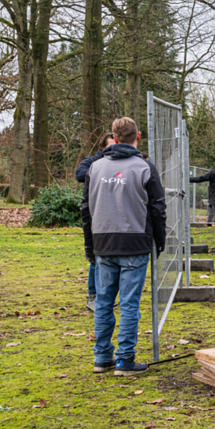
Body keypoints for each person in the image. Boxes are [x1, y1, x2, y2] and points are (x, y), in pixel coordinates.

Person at [81, 117, 166, 376]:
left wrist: (89, 246)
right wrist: (159, 243)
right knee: (130, 304)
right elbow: (158, 209)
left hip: (103, 243)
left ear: (114, 138)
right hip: (135, 244)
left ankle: (102, 357)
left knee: (104, 302)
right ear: (137, 136)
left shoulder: (94, 168)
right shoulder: (145, 168)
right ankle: (124, 359)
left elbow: (85, 210)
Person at [75, 132, 115, 313]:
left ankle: (105, 295)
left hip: (110, 215)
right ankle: (93, 295)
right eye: (110, 147)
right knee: (95, 257)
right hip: (93, 214)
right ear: (102, 149)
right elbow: (79, 174)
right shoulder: (91, 163)